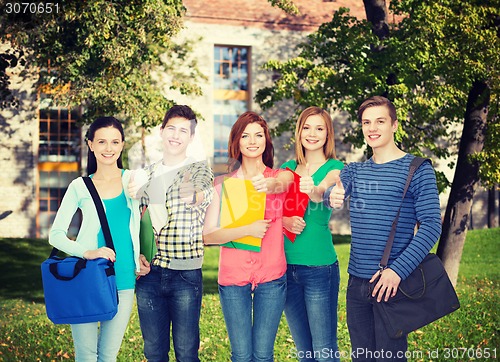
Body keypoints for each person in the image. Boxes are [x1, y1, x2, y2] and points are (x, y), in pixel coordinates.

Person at [325, 96, 442, 361]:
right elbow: (333, 193)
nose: (372, 128)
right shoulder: (355, 172)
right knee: (361, 357)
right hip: (357, 285)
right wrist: (331, 195)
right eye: (367, 122)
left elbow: (432, 226)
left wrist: (396, 272)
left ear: (395, 125)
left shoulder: (417, 169)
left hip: (392, 285)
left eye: (380, 121)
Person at [49, 116, 150, 361]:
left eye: (115, 142)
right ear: (90, 144)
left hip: (124, 277)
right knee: (86, 355)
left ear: (123, 145)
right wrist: (87, 252)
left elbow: (145, 221)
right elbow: (56, 235)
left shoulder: (134, 180)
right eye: (102, 142)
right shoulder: (79, 186)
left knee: (108, 356)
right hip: (87, 276)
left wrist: (141, 254)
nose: (109, 148)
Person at [203, 111, 293, 362]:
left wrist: (271, 185)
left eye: (258, 135)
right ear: (237, 142)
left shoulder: (278, 178)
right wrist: (247, 230)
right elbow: (208, 236)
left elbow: (287, 180)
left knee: (263, 355)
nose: (253, 141)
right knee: (241, 355)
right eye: (245, 135)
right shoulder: (221, 184)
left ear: (266, 140)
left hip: (272, 276)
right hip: (233, 277)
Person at [131, 105, 214, 362]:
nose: (176, 135)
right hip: (150, 274)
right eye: (171, 129)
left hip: (185, 275)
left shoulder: (199, 169)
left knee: (186, 352)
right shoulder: (146, 173)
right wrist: (137, 255)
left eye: (183, 131)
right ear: (161, 131)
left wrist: (195, 195)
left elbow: (203, 190)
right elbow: (135, 220)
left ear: (190, 137)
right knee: (154, 351)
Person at [280, 107, 344, 362]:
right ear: (299, 132)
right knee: (304, 351)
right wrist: (285, 220)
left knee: (324, 350)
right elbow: (272, 213)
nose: (312, 133)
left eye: (319, 128)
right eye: (307, 127)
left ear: (328, 134)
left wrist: (314, 189)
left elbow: (323, 194)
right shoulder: (287, 168)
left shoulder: (336, 168)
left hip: (319, 268)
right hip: (286, 267)